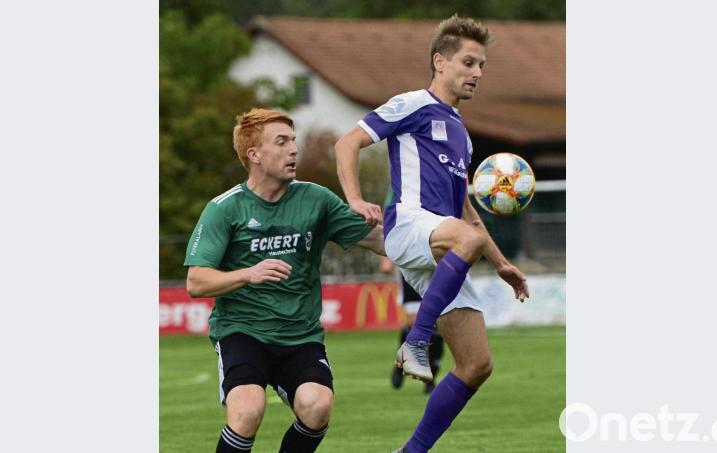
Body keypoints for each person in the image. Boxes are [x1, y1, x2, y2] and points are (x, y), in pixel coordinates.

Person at [334, 15, 530, 453]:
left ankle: (410, 451)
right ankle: (416, 341)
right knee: (465, 240)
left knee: (476, 364)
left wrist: (501, 264)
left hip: (441, 244)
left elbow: (467, 214)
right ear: (440, 62)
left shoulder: (462, 135)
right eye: (469, 62)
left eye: (482, 65)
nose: (477, 73)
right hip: (408, 225)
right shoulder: (412, 104)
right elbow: (346, 143)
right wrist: (354, 199)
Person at [185, 108, 384, 453]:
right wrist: (248, 274)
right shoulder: (224, 208)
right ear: (255, 155)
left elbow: (379, 241)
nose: (294, 149)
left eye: (293, 140)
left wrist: (442, 239)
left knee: (317, 405)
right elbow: (196, 282)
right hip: (242, 332)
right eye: (282, 142)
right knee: (247, 411)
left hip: (300, 334)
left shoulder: (316, 199)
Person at [382, 256, 444, 394]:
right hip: (411, 274)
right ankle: (401, 363)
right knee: (415, 326)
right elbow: (388, 246)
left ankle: (431, 378)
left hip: (438, 275)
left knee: (438, 329)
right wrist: (387, 260)